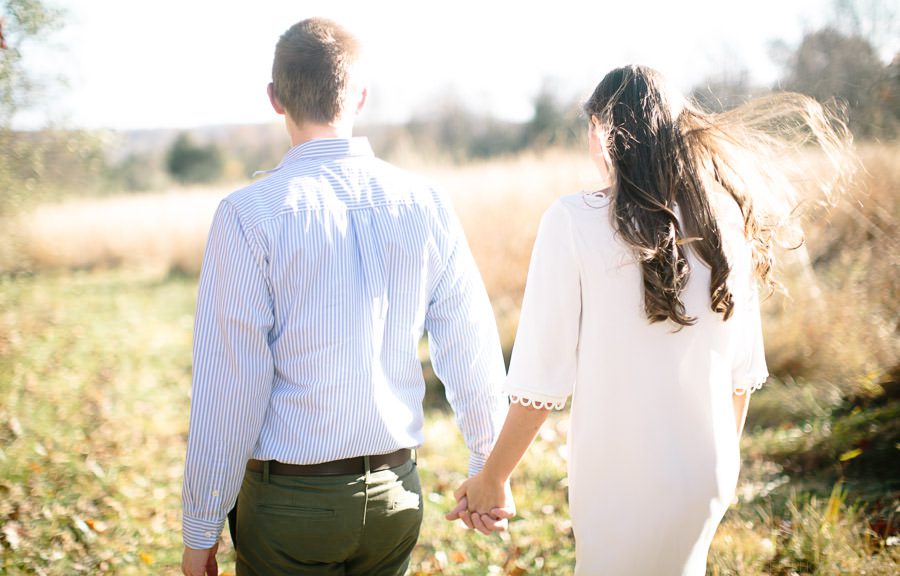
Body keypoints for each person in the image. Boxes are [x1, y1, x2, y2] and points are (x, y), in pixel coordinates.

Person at [448, 65, 853, 574]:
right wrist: (721, 474)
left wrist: (492, 477)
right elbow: (740, 378)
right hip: (708, 473)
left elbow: (540, 379)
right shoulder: (726, 220)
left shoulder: (574, 220)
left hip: (621, 481)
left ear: (601, 131)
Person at [181, 18, 509, 576]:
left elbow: (230, 386)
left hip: (288, 509)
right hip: (394, 500)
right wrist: (489, 469)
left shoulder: (247, 216)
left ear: (275, 98)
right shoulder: (425, 202)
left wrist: (200, 530)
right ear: (360, 95)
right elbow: (471, 346)